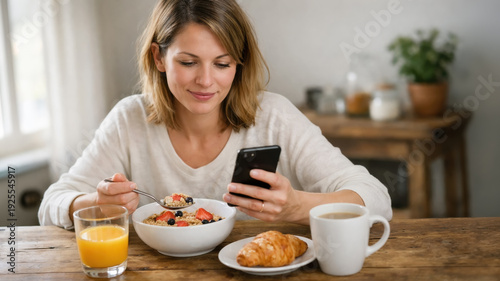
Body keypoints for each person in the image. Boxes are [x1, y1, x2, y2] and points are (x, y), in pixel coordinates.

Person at [38, 0, 392, 228]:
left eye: (222, 64)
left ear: (239, 63)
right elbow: (51, 204)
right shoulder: (129, 120)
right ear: (158, 58)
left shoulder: (274, 115)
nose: (206, 80)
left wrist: (297, 206)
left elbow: (375, 198)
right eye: (188, 62)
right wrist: (95, 204)